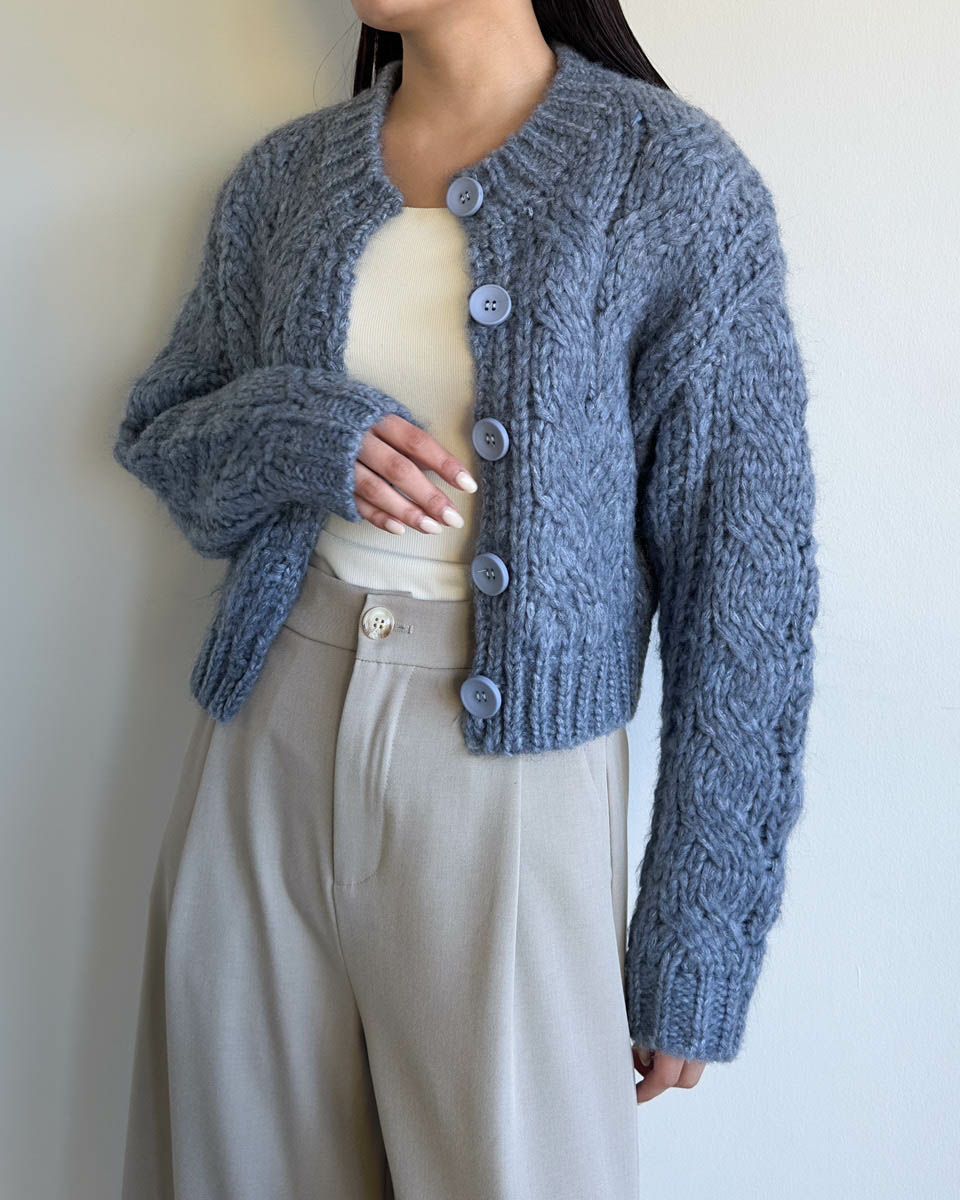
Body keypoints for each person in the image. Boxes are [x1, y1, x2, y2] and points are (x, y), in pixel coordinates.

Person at [113, 4, 820, 1198]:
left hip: (511, 786)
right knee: (234, 1166)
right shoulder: (287, 179)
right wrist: (299, 430)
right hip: (264, 746)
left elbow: (746, 587)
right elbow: (165, 439)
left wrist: (701, 932)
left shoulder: (673, 182)